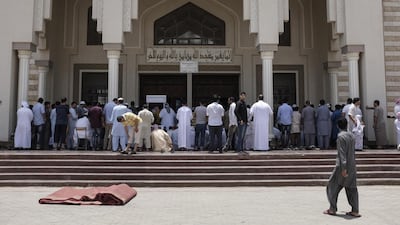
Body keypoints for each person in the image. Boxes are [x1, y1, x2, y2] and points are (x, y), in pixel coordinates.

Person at [324, 118, 361, 218]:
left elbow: (342, 153)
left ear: (338, 126)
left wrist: (343, 168)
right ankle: (355, 210)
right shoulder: (351, 136)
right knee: (351, 188)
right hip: (352, 165)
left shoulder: (341, 137)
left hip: (342, 166)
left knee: (332, 185)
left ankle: (332, 208)